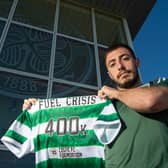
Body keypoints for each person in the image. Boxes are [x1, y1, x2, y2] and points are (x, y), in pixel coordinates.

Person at [98, 43, 168, 168]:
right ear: (110, 74)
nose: (120, 66)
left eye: (125, 58)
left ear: (136, 62)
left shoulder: (160, 85)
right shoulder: (105, 107)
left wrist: (116, 93)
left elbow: (151, 102)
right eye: (112, 64)